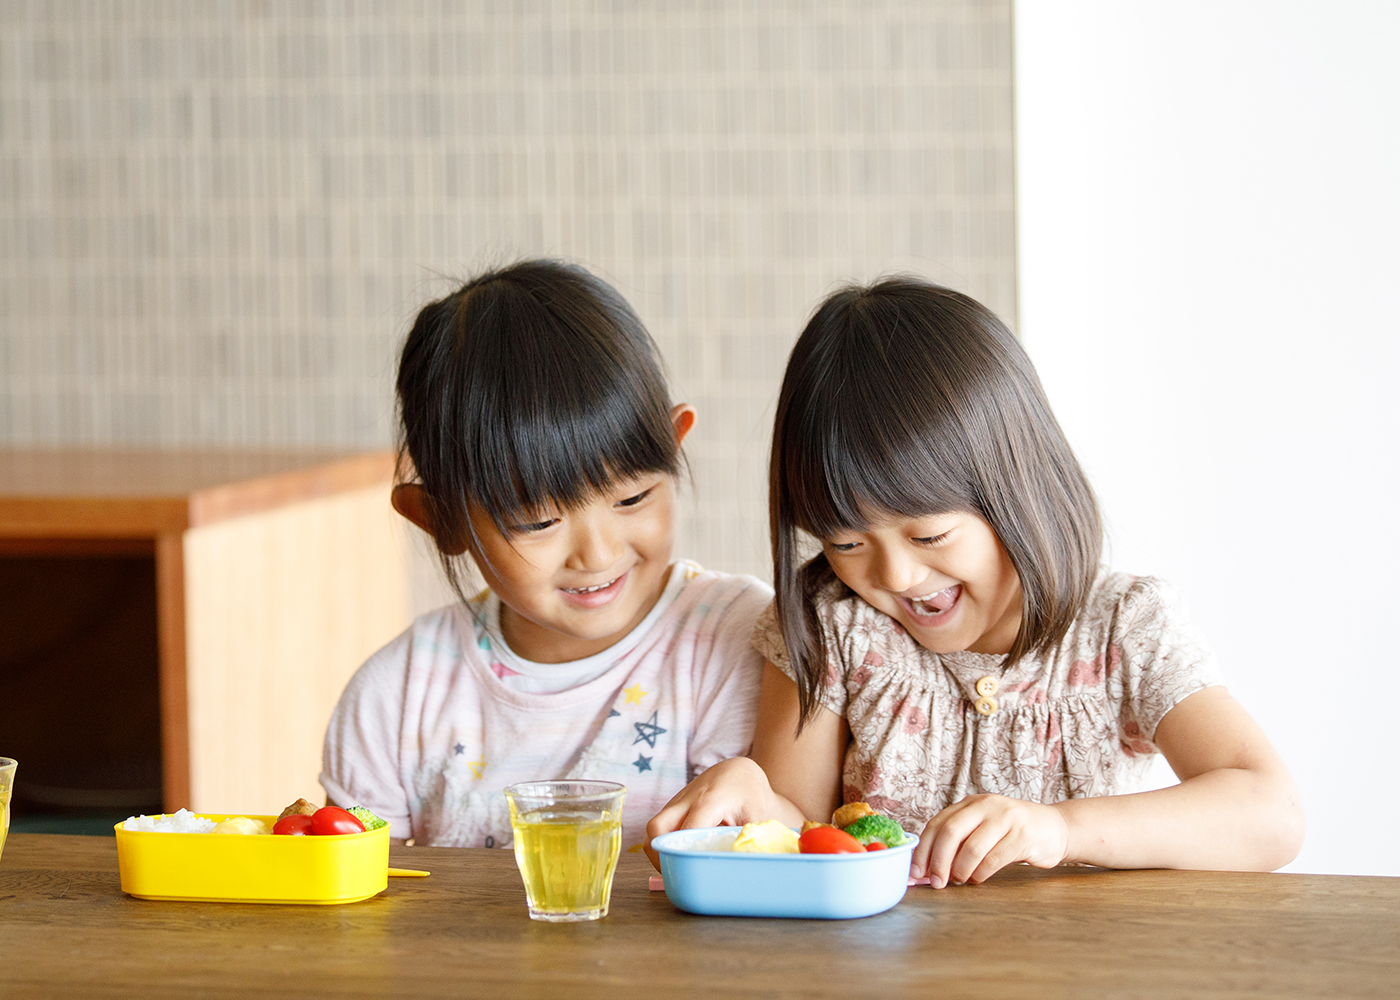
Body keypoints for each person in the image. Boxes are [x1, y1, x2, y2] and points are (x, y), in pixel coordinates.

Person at [646, 277, 1304, 885]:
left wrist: (1058, 829)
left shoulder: (1123, 628)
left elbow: (1270, 815)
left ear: (1017, 488)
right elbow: (809, 836)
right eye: (845, 542)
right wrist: (760, 803)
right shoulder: (833, 624)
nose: (895, 576)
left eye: (929, 535)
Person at [321, 260, 772, 851]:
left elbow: (784, 855)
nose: (598, 552)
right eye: (538, 521)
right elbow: (355, 909)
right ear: (438, 520)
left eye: (631, 497)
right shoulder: (395, 698)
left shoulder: (736, 638)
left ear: (675, 442)